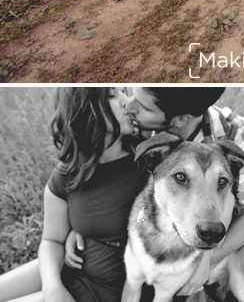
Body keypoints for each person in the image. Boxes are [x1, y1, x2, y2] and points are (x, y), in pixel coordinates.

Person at [121, 87, 244, 277]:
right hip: (155, 231)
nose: (128, 106)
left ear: (180, 119)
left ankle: (223, 277)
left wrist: (206, 261)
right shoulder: (132, 125)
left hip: (217, 229)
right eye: (132, 93)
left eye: (145, 108)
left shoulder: (235, 132)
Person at [0, 87, 146, 302]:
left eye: (125, 91)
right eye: (112, 96)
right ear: (85, 111)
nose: (127, 101)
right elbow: (51, 240)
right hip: (69, 269)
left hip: (102, 291)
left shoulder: (147, 162)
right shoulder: (69, 172)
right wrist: (52, 287)